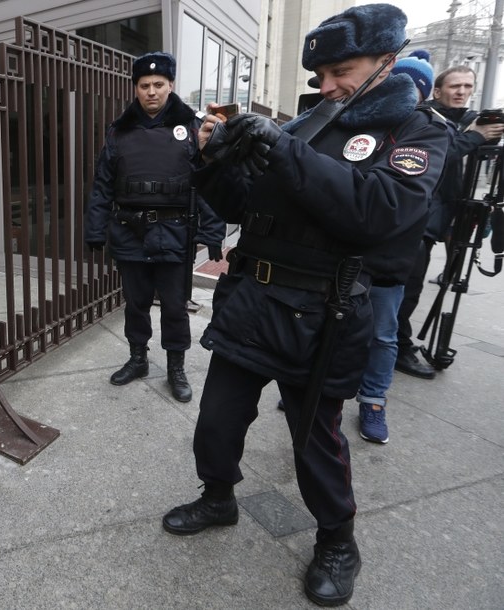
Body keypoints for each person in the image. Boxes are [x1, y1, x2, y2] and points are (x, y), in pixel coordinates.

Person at [161, 4, 447, 607]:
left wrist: (285, 151)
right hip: (254, 299)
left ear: (385, 62)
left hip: (325, 312)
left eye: (340, 70)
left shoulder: (416, 132)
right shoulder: (308, 124)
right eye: (320, 75)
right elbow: (246, 205)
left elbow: (379, 213)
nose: (327, 85)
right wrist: (214, 162)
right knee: (216, 421)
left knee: (314, 438)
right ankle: (218, 496)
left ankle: (337, 541)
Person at [84, 51, 225, 403]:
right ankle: (138, 359)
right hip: (129, 231)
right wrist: (94, 229)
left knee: (175, 306)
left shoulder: (192, 127)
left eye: (158, 85)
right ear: (135, 88)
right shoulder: (120, 131)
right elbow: (103, 184)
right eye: (144, 85)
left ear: (171, 85)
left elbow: (209, 181)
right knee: (136, 303)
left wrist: (213, 234)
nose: (151, 91)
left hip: (175, 232)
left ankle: (176, 367)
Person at [394, 65, 504, 379]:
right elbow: (436, 157)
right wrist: (475, 138)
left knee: (409, 287)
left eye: (467, 86)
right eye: (454, 86)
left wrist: (485, 138)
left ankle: (396, 341)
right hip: (416, 219)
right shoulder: (426, 117)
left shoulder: (465, 122)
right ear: (437, 91)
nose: (461, 92)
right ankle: (396, 346)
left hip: (441, 217)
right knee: (407, 287)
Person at [354, 49, 436, 444]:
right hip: (348, 254)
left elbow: (403, 199)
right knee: (330, 329)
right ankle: (316, 387)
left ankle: (372, 400)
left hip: (391, 259)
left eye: (414, 86)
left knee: (383, 335)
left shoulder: (427, 132)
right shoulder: (366, 125)